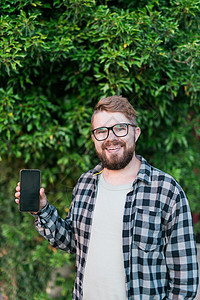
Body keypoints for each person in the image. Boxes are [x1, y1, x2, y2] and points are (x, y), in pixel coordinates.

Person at [15, 95, 199, 300]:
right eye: (101, 131)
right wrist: (42, 210)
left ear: (136, 133)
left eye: (120, 128)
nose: (110, 138)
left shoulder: (166, 190)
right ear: (94, 138)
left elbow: (185, 280)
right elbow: (72, 243)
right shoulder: (85, 184)